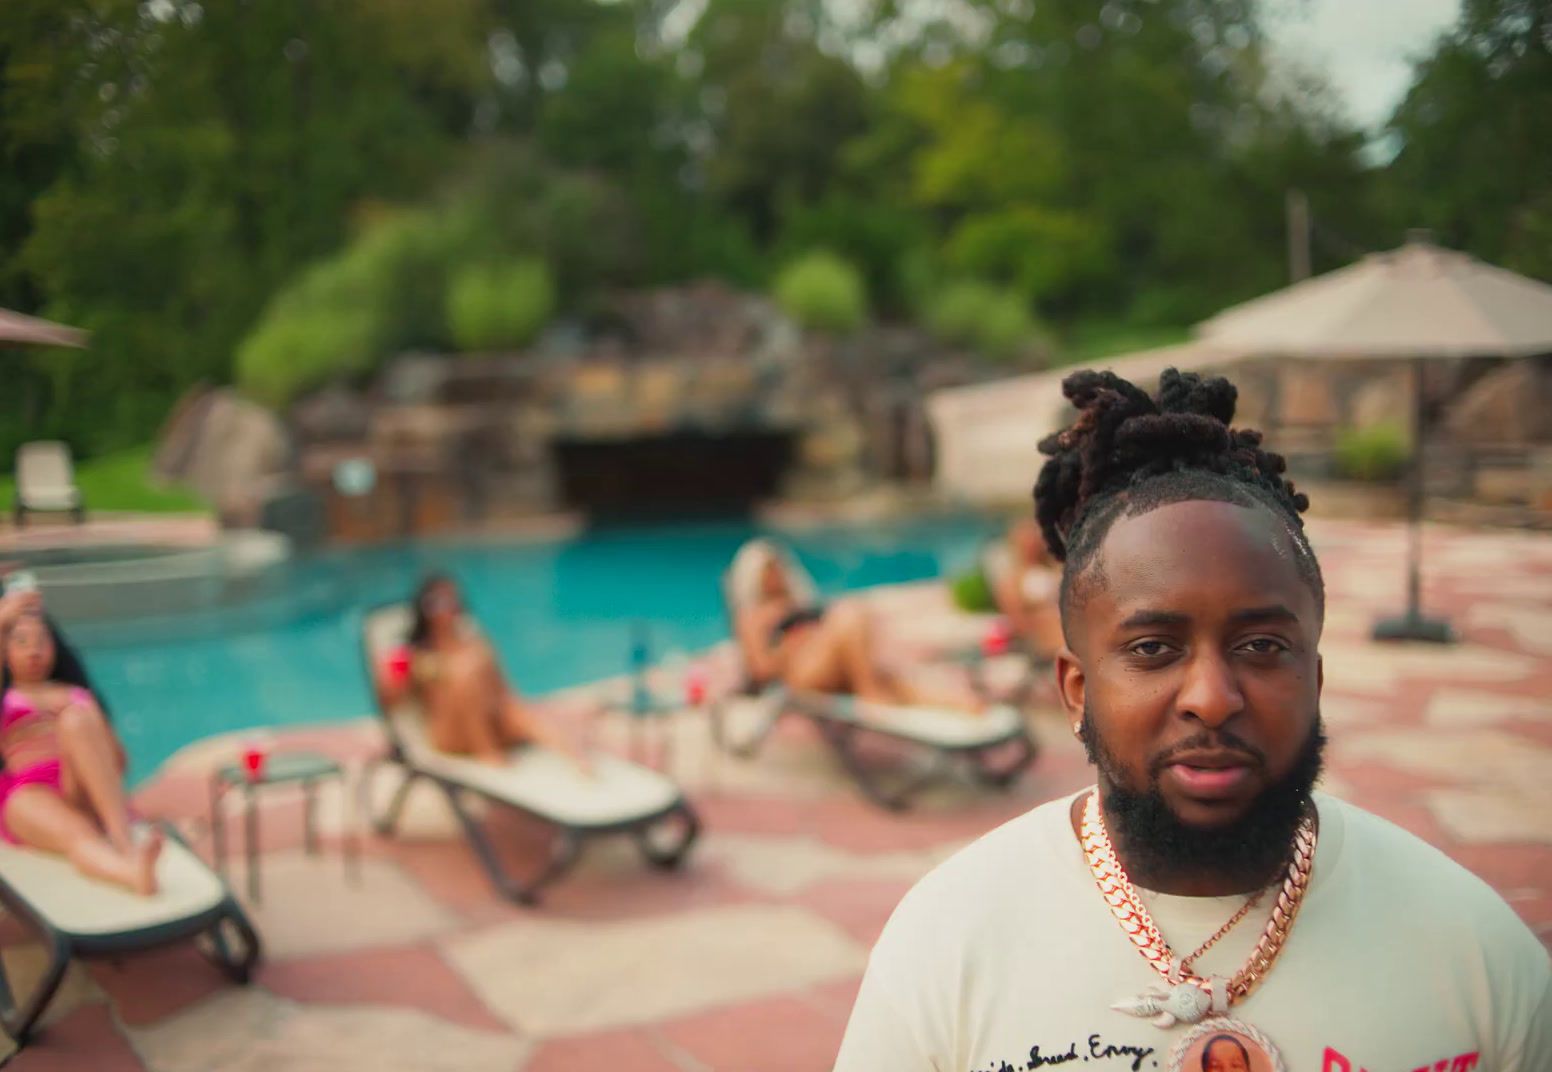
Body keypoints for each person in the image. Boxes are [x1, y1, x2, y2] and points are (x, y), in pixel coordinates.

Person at [834, 369, 1552, 1072]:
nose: (1211, 697)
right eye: (1153, 648)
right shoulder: (949, 942)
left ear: (1316, 678)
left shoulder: (1474, 950)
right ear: (1077, 690)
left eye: (1261, 646)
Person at [0, 609, 160, 894]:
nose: (34, 651)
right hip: (31, 793)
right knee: (78, 835)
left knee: (76, 719)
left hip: (81, 785)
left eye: (41, 641)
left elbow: (119, 762)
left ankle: (123, 839)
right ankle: (133, 873)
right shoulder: (6, 698)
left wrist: (76, 727)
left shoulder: (77, 695)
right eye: (21, 641)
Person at [377, 574, 590, 771]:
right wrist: (404, 668)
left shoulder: (473, 641)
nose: (447, 608)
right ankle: (488, 753)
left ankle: (577, 760)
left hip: (490, 721)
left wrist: (516, 715)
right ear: (423, 607)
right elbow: (391, 701)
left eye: (452, 600)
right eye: (438, 601)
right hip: (450, 734)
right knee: (465, 673)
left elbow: (503, 689)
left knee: (518, 713)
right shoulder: (410, 652)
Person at [731, 539, 947, 708]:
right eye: (768, 571)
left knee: (891, 678)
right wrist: (789, 648)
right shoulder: (753, 617)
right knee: (849, 613)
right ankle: (870, 694)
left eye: (777, 569)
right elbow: (760, 670)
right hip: (799, 674)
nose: (775, 576)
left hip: (825, 660)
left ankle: (961, 706)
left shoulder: (797, 604)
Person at [989, 517, 1063, 657]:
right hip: (1043, 642)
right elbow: (1016, 618)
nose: (1032, 543)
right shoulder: (1011, 578)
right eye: (1027, 539)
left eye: (1034, 537)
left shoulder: (1053, 568)